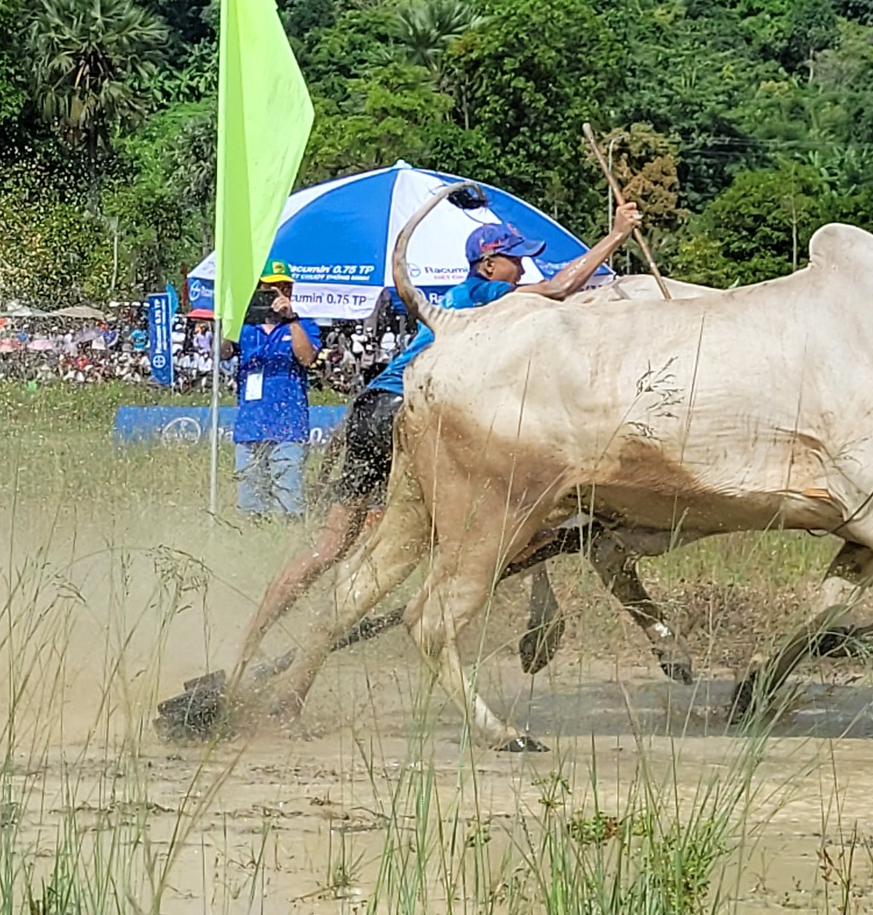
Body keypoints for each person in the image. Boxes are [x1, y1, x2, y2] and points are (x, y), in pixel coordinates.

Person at [233, 201, 644, 660]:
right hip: (407, 410)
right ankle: (538, 603)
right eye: (516, 259)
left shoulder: (458, 295)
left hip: (372, 406)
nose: (522, 267)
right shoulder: (486, 293)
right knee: (494, 527)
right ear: (489, 264)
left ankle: (247, 645)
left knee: (330, 547)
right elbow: (561, 286)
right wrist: (616, 236)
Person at [222, 261, 321, 518]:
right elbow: (221, 353)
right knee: (249, 508)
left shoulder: (303, 324)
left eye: (285, 287)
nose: (279, 292)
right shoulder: (245, 327)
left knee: (288, 504)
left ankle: (287, 550)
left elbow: (307, 358)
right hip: (249, 429)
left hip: (288, 427)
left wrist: (291, 319)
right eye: (272, 287)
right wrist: (231, 318)